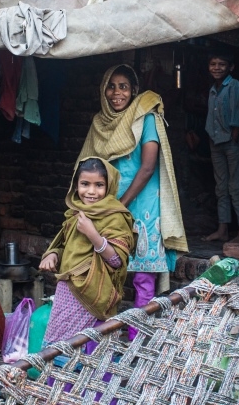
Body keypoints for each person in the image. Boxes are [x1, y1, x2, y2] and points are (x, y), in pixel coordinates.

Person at [78, 65, 188, 340]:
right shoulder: (99, 124)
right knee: (105, 273)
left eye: (124, 86)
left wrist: (121, 205)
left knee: (142, 278)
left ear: (134, 90)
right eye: (112, 86)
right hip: (110, 206)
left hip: (142, 206)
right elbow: (88, 168)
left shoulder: (145, 118)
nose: (117, 93)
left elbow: (148, 167)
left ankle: (138, 341)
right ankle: (101, 340)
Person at [39, 157, 136, 345]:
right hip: (68, 291)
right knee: (60, 347)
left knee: (90, 348)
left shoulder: (115, 217)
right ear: (75, 186)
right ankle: (61, 375)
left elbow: (116, 261)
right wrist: (52, 254)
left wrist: (93, 234)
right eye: (85, 184)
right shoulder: (75, 214)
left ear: (109, 187)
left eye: (99, 185)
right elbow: (65, 246)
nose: (91, 191)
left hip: (95, 293)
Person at [202, 51, 239, 244]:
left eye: (221, 64)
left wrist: (234, 139)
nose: (216, 68)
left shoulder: (235, 86)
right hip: (216, 143)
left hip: (231, 143)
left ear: (230, 67)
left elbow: (238, 117)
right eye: (213, 64)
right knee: (221, 187)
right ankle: (222, 229)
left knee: (235, 186)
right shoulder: (213, 89)